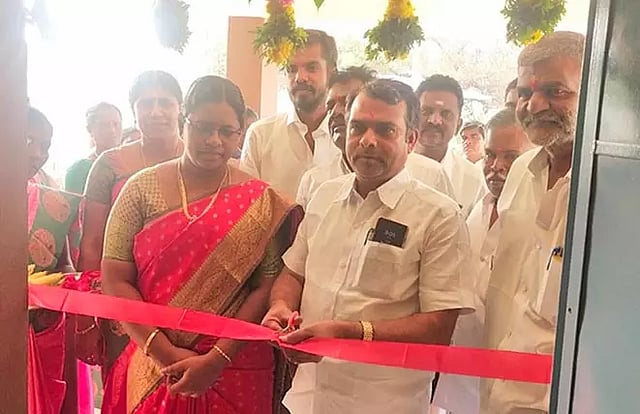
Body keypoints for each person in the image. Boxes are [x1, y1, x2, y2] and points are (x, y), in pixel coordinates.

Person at [262, 79, 472, 414]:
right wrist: (280, 307)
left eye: (386, 130)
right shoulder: (325, 196)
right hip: (307, 396)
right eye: (357, 127)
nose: (367, 141)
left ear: (411, 139)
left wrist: (351, 333)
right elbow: (293, 274)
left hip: (385, 404)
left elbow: (438, 327)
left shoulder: (439, 216)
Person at [100, 75, 301, 414]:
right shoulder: (140, 190)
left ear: (240, 133)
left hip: (236, 364)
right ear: (184, 121)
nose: (214, 140)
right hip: (154, 359)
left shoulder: (261, 201)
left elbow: (265, 286)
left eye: (227, 131)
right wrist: (163, 352)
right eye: (203, 128)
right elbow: (115, 278)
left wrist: (218, 358)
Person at [482, 31, 585, 413]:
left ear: (593, 94)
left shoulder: (616, 188)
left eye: (556, 91)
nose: (534, 104)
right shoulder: (523, 168)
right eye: (525, 92)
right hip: (496, 391)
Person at [432, 108, 534, 414]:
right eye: (490, 155)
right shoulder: (480, 206)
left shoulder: (536, 218)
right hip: (460, 372)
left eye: (510, 157)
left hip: (511, 378)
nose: (496, 167)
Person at [296, 67, 455, 208]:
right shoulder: (317, 187)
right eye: (330, 105)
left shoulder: (430, 176)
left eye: (346, 102)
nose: (336, 112)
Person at [79, 70, 184, 273]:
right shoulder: (109, 165)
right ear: (133, 111)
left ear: (180, 108)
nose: (156, 112)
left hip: (190, 281)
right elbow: (93, 242)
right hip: (118, 282)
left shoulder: (199, 163)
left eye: (165, 103)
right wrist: (92, 287)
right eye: (146, 104)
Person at [25, 106, 93, 414]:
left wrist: (59, 291)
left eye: (46, 145)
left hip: (40, 327)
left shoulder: (50, 197)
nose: (38, 153)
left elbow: (64, 264)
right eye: (28, 141)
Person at [241, 29, 340, 199]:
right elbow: (247, 204)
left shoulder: (349, 140)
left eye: (311, 68)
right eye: (292, 69)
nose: (300, 78)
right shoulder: (260, 135)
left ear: (331, 72)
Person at [414, 75, 485, 217]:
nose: (435, 120)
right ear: (412, 118)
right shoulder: (392, 168)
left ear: (458, 124)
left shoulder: (473, 180)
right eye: (426, 112)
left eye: (445, 114)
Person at [65, 102, 122, 194]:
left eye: (116, 124)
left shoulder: (130, 161)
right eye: (104, 125)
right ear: (90, 130)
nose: (112, 130)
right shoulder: (79, 170)